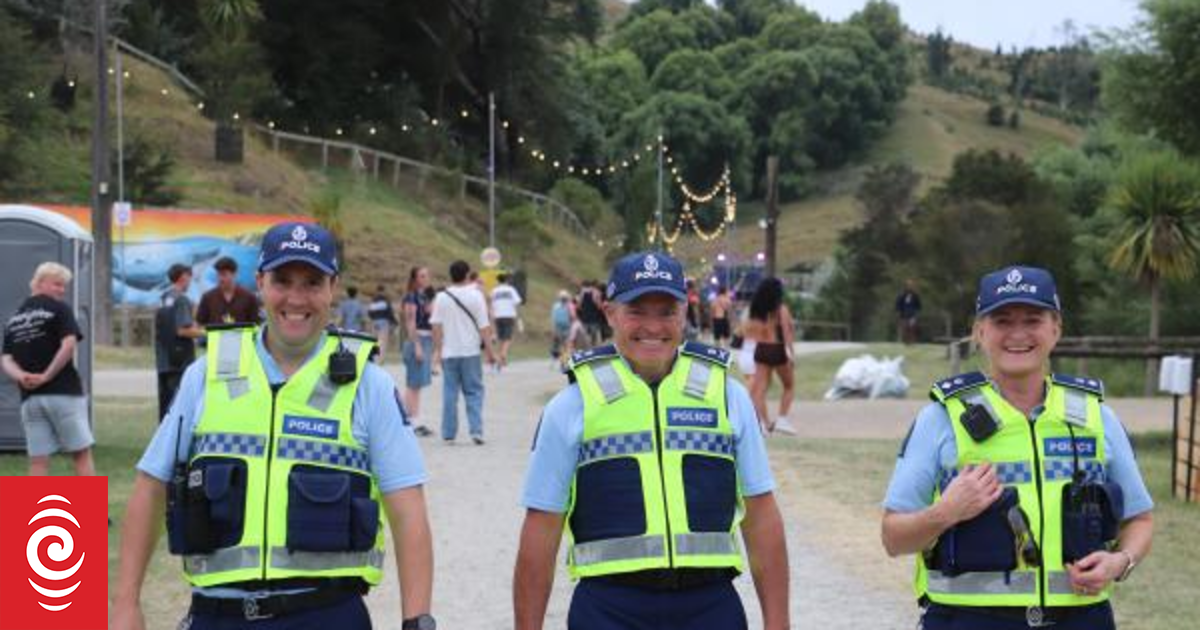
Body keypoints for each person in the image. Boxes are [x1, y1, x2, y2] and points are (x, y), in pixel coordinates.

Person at [112, 222, 435, 630]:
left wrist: (417, 622)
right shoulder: (207, 374)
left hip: (328, 616)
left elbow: (408, 511)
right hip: (218, 617)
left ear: (332, 287)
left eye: (312, 282)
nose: (296, 298)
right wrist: (126, 604)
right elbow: (150, 487)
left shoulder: (367, 385)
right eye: (282, 281)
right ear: (261, 282)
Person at [513, 251, 790, 630]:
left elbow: (761, 517)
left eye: (666, 311)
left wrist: (779, 623)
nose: (652, 326)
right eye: (637, 311)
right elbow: (540, 529)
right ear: (610, 313)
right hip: (609, 610)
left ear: (684, 315)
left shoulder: (727, 396)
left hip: (709, 607)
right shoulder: (572, 405)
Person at [881, 265, 1154, 630]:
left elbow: (1140, 519)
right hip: (966, 621)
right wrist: (944, 513)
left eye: (1033, 320)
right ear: (979, 332)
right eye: (1002, 321)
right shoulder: (940, 419)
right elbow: (893, 537)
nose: (1018, 334)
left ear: (1056, 329)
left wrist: (1120, 562)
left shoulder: (1096, 417)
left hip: (1082, 618)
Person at [2, 262, 96, 477]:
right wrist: (47, 376)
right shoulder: (59, 309)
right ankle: (91, 512)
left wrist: (22, 376)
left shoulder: (14, 318)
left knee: (38, 461)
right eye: (57, 284)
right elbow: (69, 344)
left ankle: (34, 511)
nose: (62, 290)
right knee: (81, 454)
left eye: (64, 286)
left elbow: (6, 359)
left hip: (30, 399)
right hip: (63, 393)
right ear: (40, 281)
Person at [430, 260, 495, 445]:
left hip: (449, 353)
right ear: (467, 275)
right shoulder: (476, 296)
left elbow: (435, 325)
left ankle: (449, 434)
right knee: (474, 391)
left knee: (450, 393)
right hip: (471, 352)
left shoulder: (442, 297)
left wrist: (438, 349)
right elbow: (484, 327)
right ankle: (476, 431)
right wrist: (490, 352)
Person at [742, 278, 797, 436]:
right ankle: (782, 419)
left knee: (760, 390)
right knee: (789, 385)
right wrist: (791, 355)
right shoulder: (781, 310)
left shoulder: (755, 310)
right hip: (777, 349)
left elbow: (747, 332)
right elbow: (787, 334)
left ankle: (761, 425)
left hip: (761, 350)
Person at [155, 263, 203, 422]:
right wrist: (208, 334)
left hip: (163, 361)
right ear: (183, 277)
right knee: (179, 407)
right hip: (180, 362)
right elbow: (183, 330)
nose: (190, 282)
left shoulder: (163, 298)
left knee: (165, 407)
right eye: (190, 278)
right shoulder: (182, 300)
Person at [402, 266, 435, 437]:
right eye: (422, 276)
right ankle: (411, 420)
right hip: (417, 339)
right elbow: (410, 322)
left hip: (427, 339)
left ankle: (415, 418)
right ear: (415, 279)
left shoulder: (425, 296)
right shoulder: (411, 297)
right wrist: (416, 345)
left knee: (418, 383)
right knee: (413, 383)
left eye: (427, 275)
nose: (426, 278)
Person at [195, 256, 261, 327]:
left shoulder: (249, 297)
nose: (220, 278)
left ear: (234, 274)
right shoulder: (207, 297)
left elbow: (256, 325)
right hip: (215, 338)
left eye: (224, 274)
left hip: (241, 338)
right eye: (218, 274)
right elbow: (200, 323)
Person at [490, 273, 523, 370]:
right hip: (509, 315)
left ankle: (501, 360)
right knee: (508, 338)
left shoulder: (494, 291)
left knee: (500, 338)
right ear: (507, 280)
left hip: (497, 316)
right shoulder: (511, 290)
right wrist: (518, 317)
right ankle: (503, 355)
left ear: (498, 281)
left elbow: (491, 304)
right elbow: (517, 303)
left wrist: (491, 316)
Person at [367, 285, 399, 364]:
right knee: (383, 341)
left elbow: (369, 313)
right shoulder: (385, 300)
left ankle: (374, 358)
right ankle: (380, 359)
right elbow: (389, 312)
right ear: (383, 291)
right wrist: (395, 322)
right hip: (383, 322)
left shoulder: (373, 301)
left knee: (375, 341)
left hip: (374, 322)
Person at [549, 290, 573, 367]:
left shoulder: (558, 306)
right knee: (563, 345)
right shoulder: (567, 306)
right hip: (563, 327)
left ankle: (561, 361)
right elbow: (572, 316)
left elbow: (553, 318)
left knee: (562, 345)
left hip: (562, 327)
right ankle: (561, 361)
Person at [896, 279, 922, 345]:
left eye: (911, 285)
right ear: (906, 286)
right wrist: (899, 312)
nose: (910, 286)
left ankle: (912, 341)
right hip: (904, 314)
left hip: (912, 314)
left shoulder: (915, 295)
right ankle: (905, 341)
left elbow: (918, 305)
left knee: (912, 327)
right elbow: (898, 304)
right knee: (905, 327)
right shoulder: (902, 295)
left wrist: (917, 312)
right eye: (908, 285)